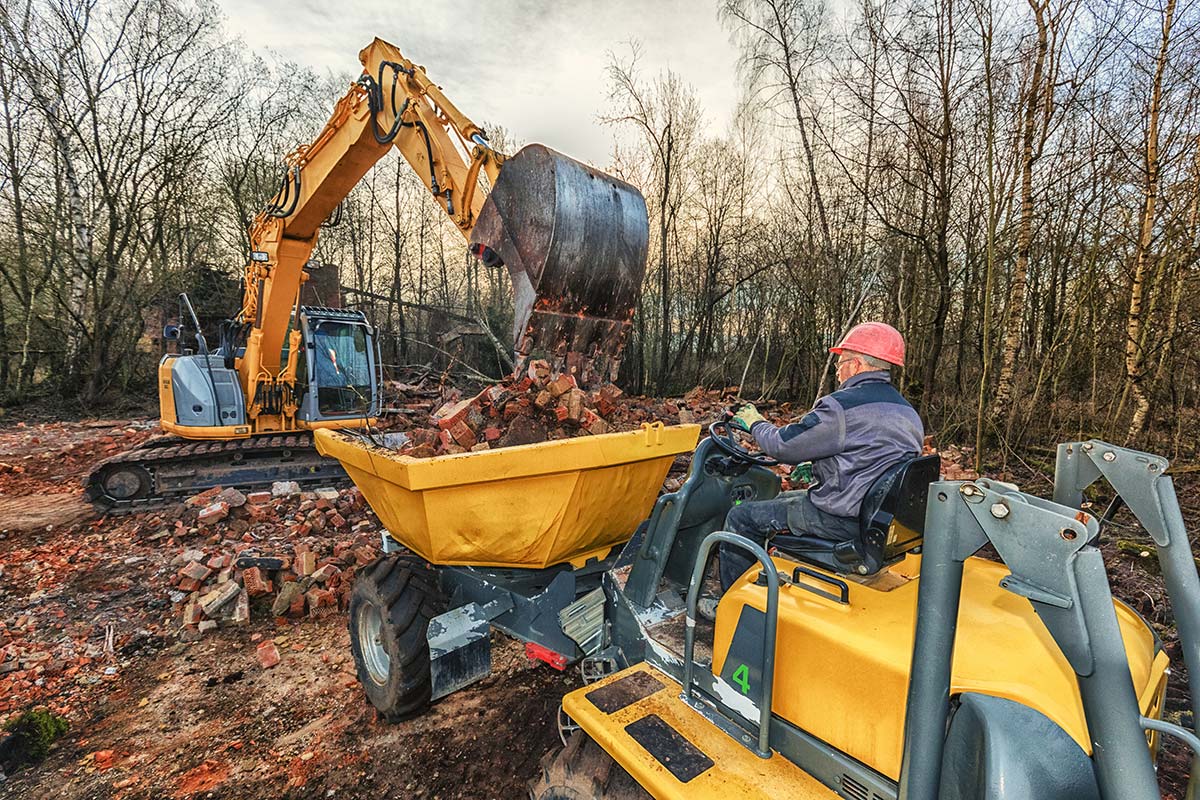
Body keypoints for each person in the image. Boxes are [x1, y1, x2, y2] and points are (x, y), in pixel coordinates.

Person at [699, 322, 924, 618]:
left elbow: (782, 445)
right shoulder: (907, 412)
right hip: (874, 519)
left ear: (856, 364)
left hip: (838, 518)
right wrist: (819, 464)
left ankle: (733, 608)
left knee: (740, 517)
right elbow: (872, 459)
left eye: (840, 363)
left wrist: (753, 421)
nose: (838, 371)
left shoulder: (842, 407)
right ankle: (767, 583)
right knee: (778, 504)